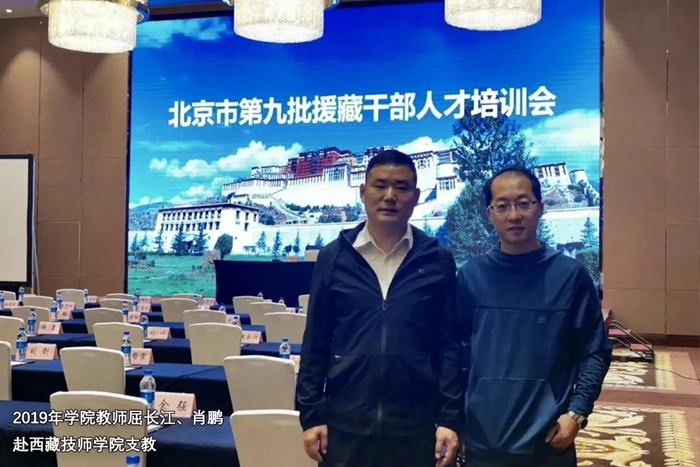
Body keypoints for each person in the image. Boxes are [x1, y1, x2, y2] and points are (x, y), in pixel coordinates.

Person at [296, 149, 464, 467]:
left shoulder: (437, 259)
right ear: (363, 192)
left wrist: (449, 419)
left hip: (416, 428)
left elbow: (449, 347)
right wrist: (311, 415)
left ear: (415, 197)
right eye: (380, 185)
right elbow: (316, 341)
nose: (390, 196)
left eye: (401, 187)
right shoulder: (334, 257)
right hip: (345, 426)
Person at [457, 166, 611, 467]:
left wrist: (577, 413)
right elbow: (453, 355)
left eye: (523, 203)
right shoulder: (470, 276)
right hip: (482, 438)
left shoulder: (570, 276)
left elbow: (595, 351)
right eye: (502, 206)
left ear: (540, 208)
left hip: (549, 440)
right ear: (489, 214)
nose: (514, 215)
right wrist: (452, 420)